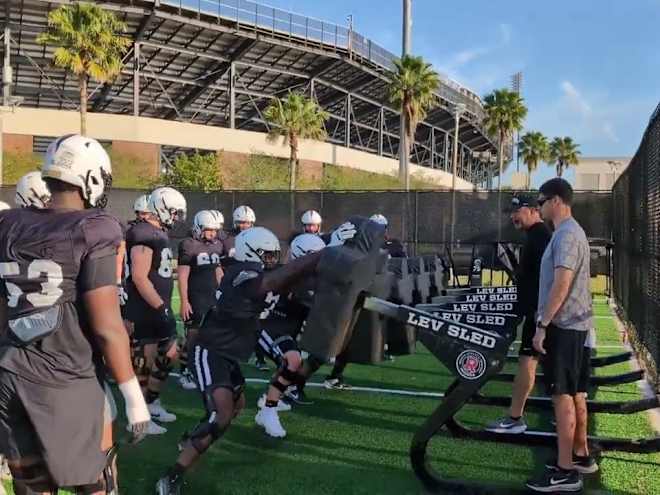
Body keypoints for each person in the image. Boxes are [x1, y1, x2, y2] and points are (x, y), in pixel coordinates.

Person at [0, 134, 150, 494]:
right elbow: (106, 327)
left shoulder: (8, 224)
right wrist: (134, 396)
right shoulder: (94, 228)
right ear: (91, 179)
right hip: (66, 376)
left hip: (9, 372)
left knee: (31, 483)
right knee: (97, 482)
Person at [155, 226, 329, 494]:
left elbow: (290, 282)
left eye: (274, 255)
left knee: (236, 406)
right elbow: (270, 283)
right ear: (251, 252)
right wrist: (320, 256)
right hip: (210, 350)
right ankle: (172, 476)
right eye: (267, 255)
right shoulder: (241, 273)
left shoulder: (259, 273)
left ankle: (190, 440)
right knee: (220, 414)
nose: (272, 260)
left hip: (230, 352)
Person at [526, 178, 597, 493]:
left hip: (564, 328)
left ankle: (566, 470)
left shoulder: (566, 235)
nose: (538, 207)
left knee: (562, 396)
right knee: (576, 392)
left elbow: (561, 283)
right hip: (575, 327)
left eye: (541, 201)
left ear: (555, 200)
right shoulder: (571, 232)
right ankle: (580, 456)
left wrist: (543, 325)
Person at [486, 195, 552, 434]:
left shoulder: (541, 237)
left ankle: (515, 418)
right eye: (511, 211)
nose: (513, 216)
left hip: (541, 314)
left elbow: (550, 279)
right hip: (538, 313)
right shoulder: (534, 236)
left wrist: (540, 317)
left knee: (528, 362)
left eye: (518, 210)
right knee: (539, 364)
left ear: (534, 210)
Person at [124, 186, 187, 434]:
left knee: (171, 351)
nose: (176, 218)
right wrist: (162, 308)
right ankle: (138, 419)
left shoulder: (157, 232)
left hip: (157, 306)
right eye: (174, 212)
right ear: (161, 207)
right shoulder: (142, 233)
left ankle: (152, 402)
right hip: (144, 308)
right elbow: (139, 277)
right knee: (144, 363)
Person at [254, 233, 327, 437]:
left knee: (299, 361)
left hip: (286, 328)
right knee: (292, 361)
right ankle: (268, 411)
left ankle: (270, 398)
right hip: (267, 326)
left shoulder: (303, 277)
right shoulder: (296, 280)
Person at [177, 210, 225, 390]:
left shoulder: (217, 245)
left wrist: (224, 291)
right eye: (208, 230)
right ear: (198, 228)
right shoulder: (188, 245)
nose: (212, 234)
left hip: (212, 297)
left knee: (212, 336)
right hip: (196, 297)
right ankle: (185, 371)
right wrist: (184, 301)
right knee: (192, 336)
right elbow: (182, 276)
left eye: (214, 230)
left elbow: (218, 270)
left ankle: (203, 368)